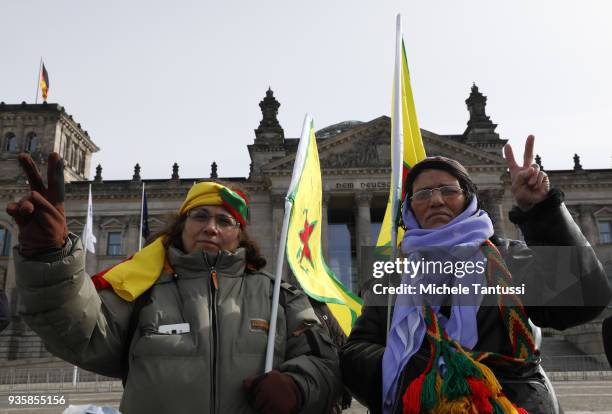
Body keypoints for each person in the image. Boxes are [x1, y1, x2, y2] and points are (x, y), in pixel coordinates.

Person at [8, 152, 342, 414]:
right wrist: (50, 258)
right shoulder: (140, 292)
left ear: (240, 235)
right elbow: (82, 332)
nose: (211, 227)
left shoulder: (278, 297)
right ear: (180, 227)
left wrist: (299, 386)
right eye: (200, 216)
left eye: (224, 220)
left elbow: (326, 364)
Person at [341, 136, 611, 414]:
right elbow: (354, 353)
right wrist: (415, 370)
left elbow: (585, 300)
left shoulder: (509, 260)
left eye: (448, 190)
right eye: (422, 194)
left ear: (468, 198)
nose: (435, 200)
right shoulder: (393, 279)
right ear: (409, 209)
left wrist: (542, 210)